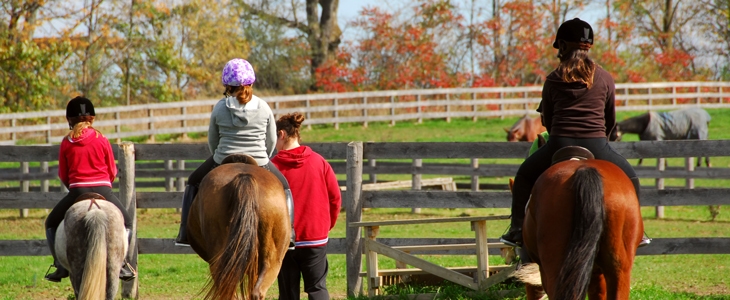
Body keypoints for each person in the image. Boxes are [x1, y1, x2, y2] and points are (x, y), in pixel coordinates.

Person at [499, 18, 650, 248]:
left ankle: (517, 229)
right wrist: (601, 138)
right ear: (589, 47)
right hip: (598, 144)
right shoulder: (605, 77)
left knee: (524, 176)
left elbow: (547, 121)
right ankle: (638, 231)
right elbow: (610, 120)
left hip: (560, 143)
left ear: (563, 45)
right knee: (631, 178)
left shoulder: (553, 78)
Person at [174, 58, 295, 248]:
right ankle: (290, 234)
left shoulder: (220, 107)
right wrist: (264, 156)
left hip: (223, 158)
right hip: (259, 159)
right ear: (251, 83)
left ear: (227, 85)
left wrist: (218, 157)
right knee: (285, 187)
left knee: (192, 181)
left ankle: (184, 233)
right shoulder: (263, 107)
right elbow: (271, 139)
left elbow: (212, 139)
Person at [45, 96, 136, 282]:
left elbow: (63, 174)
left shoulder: (66, 142)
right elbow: (112, 170)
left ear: (69, 119)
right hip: (103, 189)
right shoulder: (101, 138)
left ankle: (60, 265)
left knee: (51, 223)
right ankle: (123, 264)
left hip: (78, 190)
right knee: (127, 222)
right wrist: (104, 184)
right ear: (92, 118)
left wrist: (74, 189)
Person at [272, 112, 341, 300]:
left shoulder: (272, 167)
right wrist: (326, 226)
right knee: (317, 289)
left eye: (272, 137)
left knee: (287, 293)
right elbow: (335, 198)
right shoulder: (320, 162)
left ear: (282, 134)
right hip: (315, 237)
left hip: (285, 240)